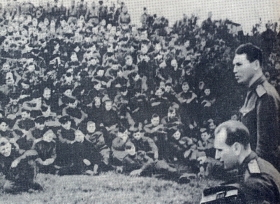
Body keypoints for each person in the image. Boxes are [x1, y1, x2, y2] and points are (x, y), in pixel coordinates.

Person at [233, 43, 280, 170]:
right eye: (234, 65)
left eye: (239, 64)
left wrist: (252, 177)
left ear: (256, 65)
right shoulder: (253, 92)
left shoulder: (265, 96)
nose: (234, 70)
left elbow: (264, 151)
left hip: (261, 174)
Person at [214, 120, 280, 203]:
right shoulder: (258, 164)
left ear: (236, 148)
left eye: (220, 150)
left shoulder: (253, 182)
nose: (216, 156)